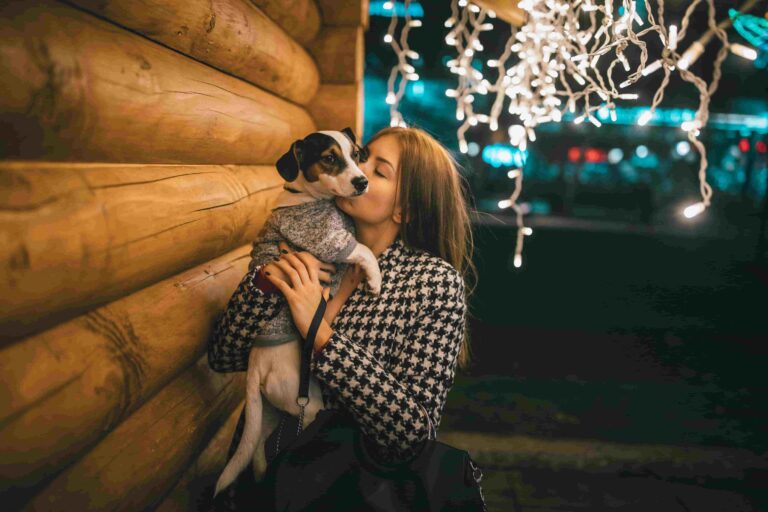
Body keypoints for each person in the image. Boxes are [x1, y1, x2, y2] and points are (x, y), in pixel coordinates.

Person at [207, 126, 478, 510]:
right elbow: (224, 356)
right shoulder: (306, 236)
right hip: (266, 480)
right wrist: (269, 285)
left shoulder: (432, 284)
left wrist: (320, 334)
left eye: (379, 171)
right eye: (362, 155)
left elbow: (413, 433)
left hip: (343, 489)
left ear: (406, 209)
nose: (358, 169)